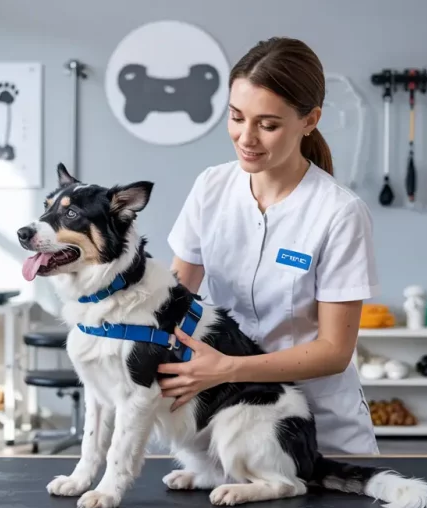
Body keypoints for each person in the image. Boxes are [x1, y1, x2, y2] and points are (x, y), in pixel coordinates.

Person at [157, 37, 381, 455]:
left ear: (309, 120)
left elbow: (334, 351)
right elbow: (173, 300)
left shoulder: (339, 212)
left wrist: (227, 369)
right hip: (225, 424)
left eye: (268, 124)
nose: (246, 137)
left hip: (322, 432)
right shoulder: (211, 187)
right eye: (236, 117)